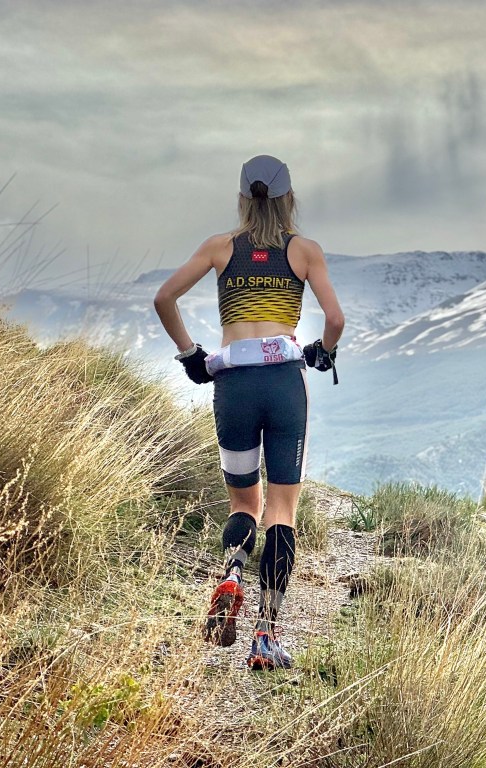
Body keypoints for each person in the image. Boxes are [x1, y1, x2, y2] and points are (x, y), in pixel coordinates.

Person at [153, 155, 344, 671]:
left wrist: (191, 355)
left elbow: (164, 297)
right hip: (284, 385)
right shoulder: (304, 252)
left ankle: (232, 572)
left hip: (233, 386)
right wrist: (322, 352)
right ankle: (266, 635)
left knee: (244, 505)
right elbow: (335, 319)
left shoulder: (220, 248)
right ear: (289, 200)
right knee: (282, 510)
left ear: (244, 198)